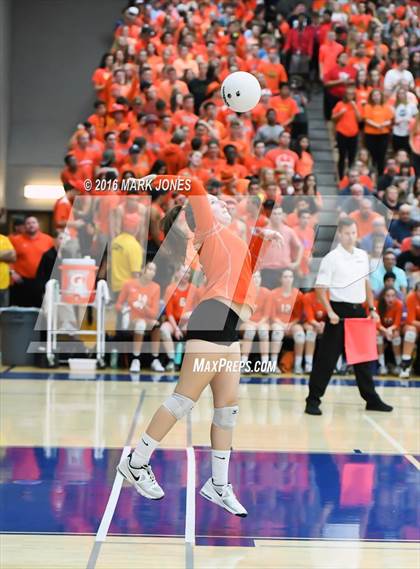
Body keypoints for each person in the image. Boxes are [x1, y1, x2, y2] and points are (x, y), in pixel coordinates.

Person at [117, 175, 283, 516]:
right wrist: (154, 180)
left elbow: (243, 273)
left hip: (229, 325)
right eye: (213, 204)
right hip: (212, 318)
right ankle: (136, 462)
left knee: (227, 410)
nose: (220, 204)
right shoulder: (206, 230)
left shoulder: (226, 237)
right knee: (182, 401)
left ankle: (218, 486)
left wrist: (261, 242)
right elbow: (192, 182)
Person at [305, 217, 393, 415]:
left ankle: (371, 399)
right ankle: (313, 400)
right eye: (347, 233)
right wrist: (330, 312)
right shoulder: (331, 258)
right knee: (326, 360)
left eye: (354, 233)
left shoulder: (363, 255)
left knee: (364, 359)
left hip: (359, 312)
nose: (351, 236)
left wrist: (372, 309)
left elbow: (366, 285)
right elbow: (320, 289)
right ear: (340, 234)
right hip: (338, 311)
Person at [9, 216, 55, 307]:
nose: (31, 225)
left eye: (33, 222)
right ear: (24, 226)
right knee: (21, 309)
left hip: (41, 281)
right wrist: (12, 272)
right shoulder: (15, 240)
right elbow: (9, 259)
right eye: (28, 223)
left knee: (40, 310)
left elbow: (54, 258)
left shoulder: (49, 240)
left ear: (38, 225)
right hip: (21, 281)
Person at [270, 269, 305, 374]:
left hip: (292, 324)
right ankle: (273, 365)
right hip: (278, 323)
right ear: (281, 279)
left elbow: (299, 316)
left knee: (300, 334)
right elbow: (272, 315)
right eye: (285, 277)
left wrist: (290, 324)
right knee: (277, 332)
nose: (288, 279)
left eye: (290, 276)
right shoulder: (274, 293)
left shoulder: (298, 294)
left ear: (293, 279)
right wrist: (282, 324)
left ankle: (298, 366)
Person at [375, 286, 403, 376]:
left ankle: (399, 365)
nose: (390, 299)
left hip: (392, 330)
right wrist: (385, 331)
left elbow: (397, 323)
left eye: (393, 296)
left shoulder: (399, 304)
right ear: (383, 296)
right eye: (388, 296)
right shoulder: (377, 304)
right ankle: (381, 365)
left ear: (396, 296)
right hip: (381, 330)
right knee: (377, 334)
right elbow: (377, 323)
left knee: (396, 334)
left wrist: (390, 330)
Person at [400, 282, 420, 378]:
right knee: (410, 332)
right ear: (415, 291)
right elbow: (410, 320)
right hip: (411, 326)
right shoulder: (411, 298)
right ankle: (405, 367)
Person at [0, 234, 16, 307]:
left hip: (3, 284)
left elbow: (13, 257)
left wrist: (8, 255)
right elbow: (9, 254)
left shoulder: (3, 238)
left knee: (3, 313)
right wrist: (4, 254)